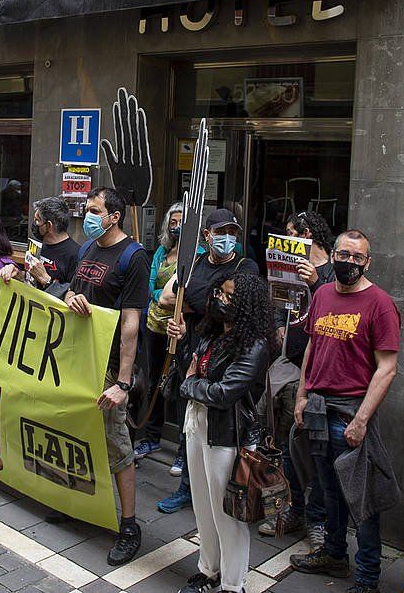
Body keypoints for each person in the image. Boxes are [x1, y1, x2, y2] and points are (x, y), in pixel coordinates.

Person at [289, 229, 400, 593]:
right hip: (319, 408)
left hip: (351, 412)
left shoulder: (379, 303)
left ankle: (368, 578)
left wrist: (361, 420)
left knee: (362, 498)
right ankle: (334, 554)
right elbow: (311, 349)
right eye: (344, 254)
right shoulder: (321, 294)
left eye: (357, 257)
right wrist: (302, 396)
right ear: (332, 255)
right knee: (329, 489)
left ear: (367, 262)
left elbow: (387, 368)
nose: (349, 262)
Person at [169, 272, 271, 593]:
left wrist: (190, 384)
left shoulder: (255, 346)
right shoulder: (211, 333)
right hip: (198, 425)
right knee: (203, 506)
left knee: (228, 515)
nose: (221, 300)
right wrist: (184, 339)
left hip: (227, 437)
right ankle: (208, 569)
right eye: (220, 294)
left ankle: (232, 584)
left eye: (230, 297)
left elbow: (224, 393)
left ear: (244, 306)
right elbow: (192, 368)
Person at [64, 187, 150, 566]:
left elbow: (132, 323)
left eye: (95, 210)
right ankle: (81, 503)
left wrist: (123, 383)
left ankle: (129, 526)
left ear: (115, 216)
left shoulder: (133, 257)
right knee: (81, 434)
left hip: (110, 366)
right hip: (79, 361)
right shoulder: (86, 249)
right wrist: (69, 298)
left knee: (117, 444)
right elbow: (71, 291)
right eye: (87, 209)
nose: (88, 216)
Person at [157, 208, 259, 512]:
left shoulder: (245, 267)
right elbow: (164, 299)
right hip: (192, 352)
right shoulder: (195, 263)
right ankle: (188, 488)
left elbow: (235, 307)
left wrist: (193, 304)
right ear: (206, 235)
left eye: (233, 233)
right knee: (190, 424)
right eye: (221, 232)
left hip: (224, 360)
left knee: (216, 430)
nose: (227, 239)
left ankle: (222, 494)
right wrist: (196, 307)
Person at [259, 210, 335, 540]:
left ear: (306, 234)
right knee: (288, 444)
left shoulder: (332, 272)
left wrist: (315, 282)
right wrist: (277, 324)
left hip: (319, 370)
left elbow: (334, 312)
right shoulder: (292, 270)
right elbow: (281, 303)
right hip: (289, 363)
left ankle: (316, 517)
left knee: (315, 449)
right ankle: (294, 509)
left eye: (291, 233)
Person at [137, 201, 184, 461]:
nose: (176, 227)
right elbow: (151, 284)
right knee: (154, 380)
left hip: (178, 327)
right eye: (173, 222)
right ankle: (152, 437)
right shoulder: (160, 253)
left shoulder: (196, 254)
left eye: (181, 222)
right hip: (154, 324)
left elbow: (185, 291)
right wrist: (160, 296)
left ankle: (181, 449)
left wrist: (167, 299)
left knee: (177, 385)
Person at [0, 196, 79, 293]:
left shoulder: (75, 255)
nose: (34, 224)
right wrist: (17, 274)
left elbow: (71, 297)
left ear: (49, 226)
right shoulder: (37, 246)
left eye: (37, 220)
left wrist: (45, 279)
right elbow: (30, 279)